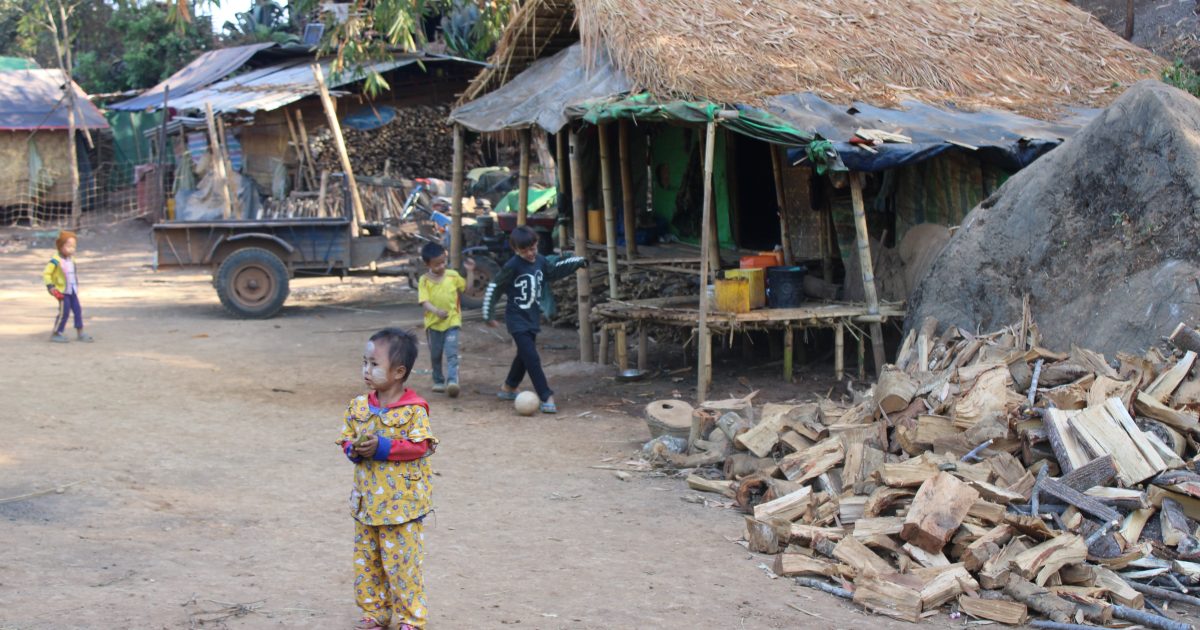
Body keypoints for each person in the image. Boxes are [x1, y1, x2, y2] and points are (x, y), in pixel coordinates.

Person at [337, 328, 438, 630]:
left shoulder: (413, 410)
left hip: (402, 507)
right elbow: (346, 439)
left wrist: (382, 448)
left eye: (374, 364)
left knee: (402, 563)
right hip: (367, 504)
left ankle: (411, 618)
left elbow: (420, 446)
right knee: (368, 561)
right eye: (364, 362)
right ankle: (375, 612)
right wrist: (353, 450)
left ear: (399, 372)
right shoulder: (358, 406)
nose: (366, 370)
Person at [481, 226, 587, 414]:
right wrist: (488, 314)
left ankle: (509, 386)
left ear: (536, 244)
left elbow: (555, 270)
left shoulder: (541, 261)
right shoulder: (512, 266)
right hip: (516, 319)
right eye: (524, 251)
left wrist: (577, 262)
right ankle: (546, 395)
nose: (530, 253)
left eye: (533, 248)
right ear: (515, 250)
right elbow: (495, 287)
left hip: (532, 318)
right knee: (531, 357)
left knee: (524, 355)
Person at [417, 242, 474, 397]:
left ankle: (453, 381)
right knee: (435, 354)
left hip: (452, 321)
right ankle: (438, 380)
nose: (441, 266)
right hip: (433, 323)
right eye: (437, 264)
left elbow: (468, 289)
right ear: (427, 264)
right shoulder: (424, 280)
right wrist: (436, 311)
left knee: (451, 353)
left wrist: (470, 272)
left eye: (443, 262)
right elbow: (424, 301)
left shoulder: (452, 276)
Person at [43, 230, 93, 343]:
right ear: (61, 246)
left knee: (77, 310)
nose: (72, 249)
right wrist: (51, 286)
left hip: (72, 290)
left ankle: (80, 333)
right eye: (68, 246)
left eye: (74, 247)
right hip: (62, 292)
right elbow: (47, 273)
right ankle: (56, 333)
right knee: (64, 312)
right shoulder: (55, 260)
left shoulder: (72, 259)